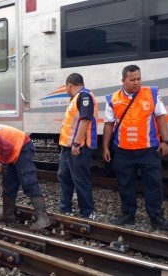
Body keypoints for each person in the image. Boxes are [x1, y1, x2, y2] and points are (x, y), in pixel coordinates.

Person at [102, 64, 168, 230]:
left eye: (138, 78)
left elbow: (161, 117)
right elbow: (108, 125)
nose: (136, 82)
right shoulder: (113, 99)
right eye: (132, 79)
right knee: (125, 184)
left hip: (149, 150)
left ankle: (156, 217)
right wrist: (105, 147)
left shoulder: (152, 93)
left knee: (154, 184)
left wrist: (166, 141)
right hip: (123, 151)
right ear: (123, 80)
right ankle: (128, 214)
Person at [58, 73, 98, 220]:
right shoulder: (75, 99)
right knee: (64, 177)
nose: (66, 89)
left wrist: (76, 143)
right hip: (67, 148)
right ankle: (65, 208)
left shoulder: (84, 96)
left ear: (69, 84)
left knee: (80, 179)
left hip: (78, 148)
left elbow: (85, 120)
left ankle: (87, 212)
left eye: (66, 87)